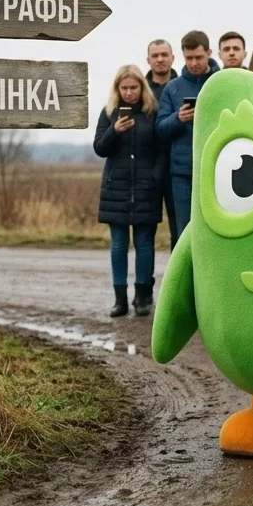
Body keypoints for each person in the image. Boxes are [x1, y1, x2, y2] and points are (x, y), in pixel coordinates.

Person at [94, 66, 160, 318]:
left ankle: (142, 298)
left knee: (144, 245)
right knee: (119, 246)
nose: (129, 92)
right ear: (117, 89)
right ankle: (119, 300)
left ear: (142, 87)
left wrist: (155, 176)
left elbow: (161, 149)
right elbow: (99, 148)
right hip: (116, 190)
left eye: (134, 87)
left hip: (146, 189)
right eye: (124, 88)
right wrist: (115, 130)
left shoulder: (152, 113)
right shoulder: (108, 113)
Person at [156, 31, 221, 234]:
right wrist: (178, 118)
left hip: (217, 168)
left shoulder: (221, 83)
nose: (194, 63)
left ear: (209, 53)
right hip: (183, 173)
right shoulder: (172, 88)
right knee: (184, 231)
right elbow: (160, 128)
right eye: (189, 58)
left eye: (199, 57)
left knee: (216, 229)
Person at [145, 39, 179, 246]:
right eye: (155, 56)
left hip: (176, 165)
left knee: (179, 227)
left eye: (164, 55)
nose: (160, 59)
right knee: (146, 229)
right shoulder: (140, 90)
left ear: (172, 58)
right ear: (148, 60)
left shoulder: (181, 86)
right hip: (148, 167)